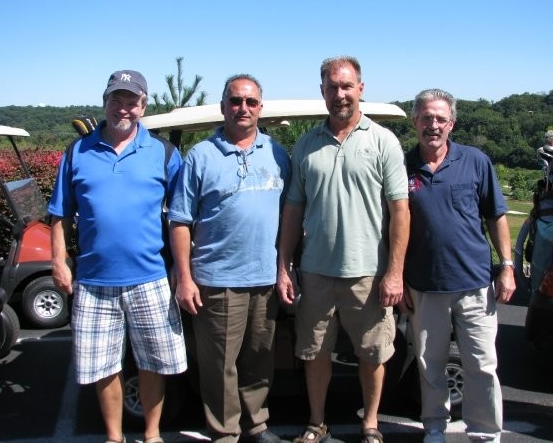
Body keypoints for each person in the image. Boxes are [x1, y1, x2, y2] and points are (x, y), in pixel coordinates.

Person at [276, 56, 410, 443]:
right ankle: (316, 422)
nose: (340, 94)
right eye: (332, 87)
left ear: (360, 89)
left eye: (347, 86)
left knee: (373, 354)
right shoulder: (306, 144)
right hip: (316, 272)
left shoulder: (383, 140)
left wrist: (395, 271)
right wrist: (284, 266)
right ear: (322, 91)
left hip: (368, 272)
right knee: (315, 354)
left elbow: (400, 211)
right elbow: (293, 209)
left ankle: (370, 424)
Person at [49, 70, 187, 443]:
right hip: (93, 282)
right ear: (105, 102)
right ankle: (114, 437)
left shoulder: (164, 153)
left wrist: (181, 270)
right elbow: (59, 213)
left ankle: (152, 434)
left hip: (151, 277)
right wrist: (59, 260)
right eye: (116, 99)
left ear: (143, 105)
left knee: (153, 364)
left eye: (131, 101)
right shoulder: (78, 151)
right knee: (102, 368)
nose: (123, 108)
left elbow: (181, 217)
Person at [168, 74, 290, 443]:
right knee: (220, 367)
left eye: (251, 102)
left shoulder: (276, 152)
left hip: (265, 279)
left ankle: (257, 425)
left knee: (259, 359)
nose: (243, 108)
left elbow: (289, 215)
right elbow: (180, 220)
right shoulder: (201, 156)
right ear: (223, 106)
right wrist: (185, 277)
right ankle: (225, 433)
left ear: (260, 108)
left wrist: (286, 268)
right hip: (217, 281)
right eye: (235, 101)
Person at [402, 89, 516, 443]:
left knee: (481, 366)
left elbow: (496, 216)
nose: (432, 125)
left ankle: (484, 434)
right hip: (423, 286)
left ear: (451, 123)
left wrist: (507, 266)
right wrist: (400, 277)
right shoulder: (402, 165)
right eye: (425, 118)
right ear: (415, 121)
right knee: (429, 366)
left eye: (440, 118)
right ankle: (434, 427)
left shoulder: (476, 161)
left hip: (475, 284)